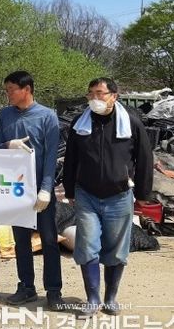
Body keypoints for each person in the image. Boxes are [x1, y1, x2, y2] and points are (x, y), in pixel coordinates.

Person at [63, 78, 153, 316]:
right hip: (87, 194)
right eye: (91, 93)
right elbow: (71, 159)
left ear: (114, 96)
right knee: (87, 245)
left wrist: (143, 194)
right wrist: (69, 190)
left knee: (116, 248)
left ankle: (110, 297)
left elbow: (144, 159)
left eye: (100, 93)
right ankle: (92, 298)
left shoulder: (131, 122)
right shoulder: (80, 123)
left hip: (119, 195)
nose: (95, 98)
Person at [0, 71, 64, 310]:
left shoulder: (47, 116)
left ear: (27, 89)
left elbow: (51, 155)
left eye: (11, 89)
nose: (8, 94)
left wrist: (46, 189)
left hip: (40, 189)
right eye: (7, 90)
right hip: (16, 189)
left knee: (49, 240)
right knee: (21, 241)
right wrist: (8, 145)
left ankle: (54, 290)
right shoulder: (5, 116)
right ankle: (26, 287)